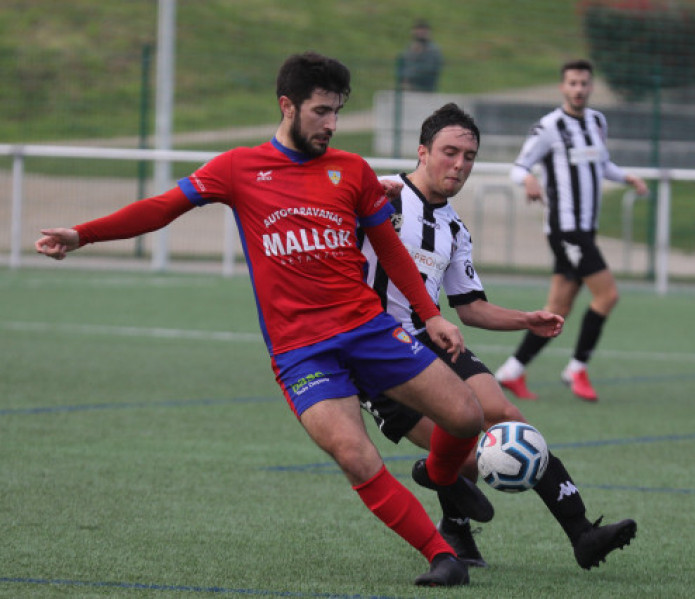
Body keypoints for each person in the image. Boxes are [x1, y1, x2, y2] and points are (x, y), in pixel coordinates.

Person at [33, 52, 493, 588]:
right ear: (287, 105)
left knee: (465, 416)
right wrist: (82, 233)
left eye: (338, 112)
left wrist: (431, 316)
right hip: (301, 350)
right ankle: (443, 556)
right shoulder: (237, 169)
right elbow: (161, 207)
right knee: (355, 456)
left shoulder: (353, 171)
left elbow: (389, 249)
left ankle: (441, 478)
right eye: (321, 111)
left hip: (369, 329)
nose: (331, 124)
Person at [358, 103, 638, 570]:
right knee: (465, 458)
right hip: (374, 353)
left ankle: (583, 533)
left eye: (469, 155)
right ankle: (452, 517)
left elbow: (468, 307)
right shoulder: (380, 195)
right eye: (450, 152)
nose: (461, 164)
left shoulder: (453, 227)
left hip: (429, 339)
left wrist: (525, 319)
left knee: (508, 418)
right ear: (422, 152)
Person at [495, 59, 648, 402]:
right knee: (608, 296)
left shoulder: (596, 121)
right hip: (567, 231)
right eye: (573, 83)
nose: (579, 89)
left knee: (557, 310)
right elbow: (518, 168)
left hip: (585, 230)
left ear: (591, 87)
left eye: (584, 83)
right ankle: (577, 367)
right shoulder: (549, 126)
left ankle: (511, 371)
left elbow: (602, 162)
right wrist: (530, 179)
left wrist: (626, 177)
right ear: (563, 87)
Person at [397, 18, 443, 92]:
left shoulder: (433, 50)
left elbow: (429, 69)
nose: (420, 32)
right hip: (407, 87)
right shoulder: (409, 48)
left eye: (423, 29)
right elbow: (402, 65)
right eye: (418, 29)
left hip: (424, 87)